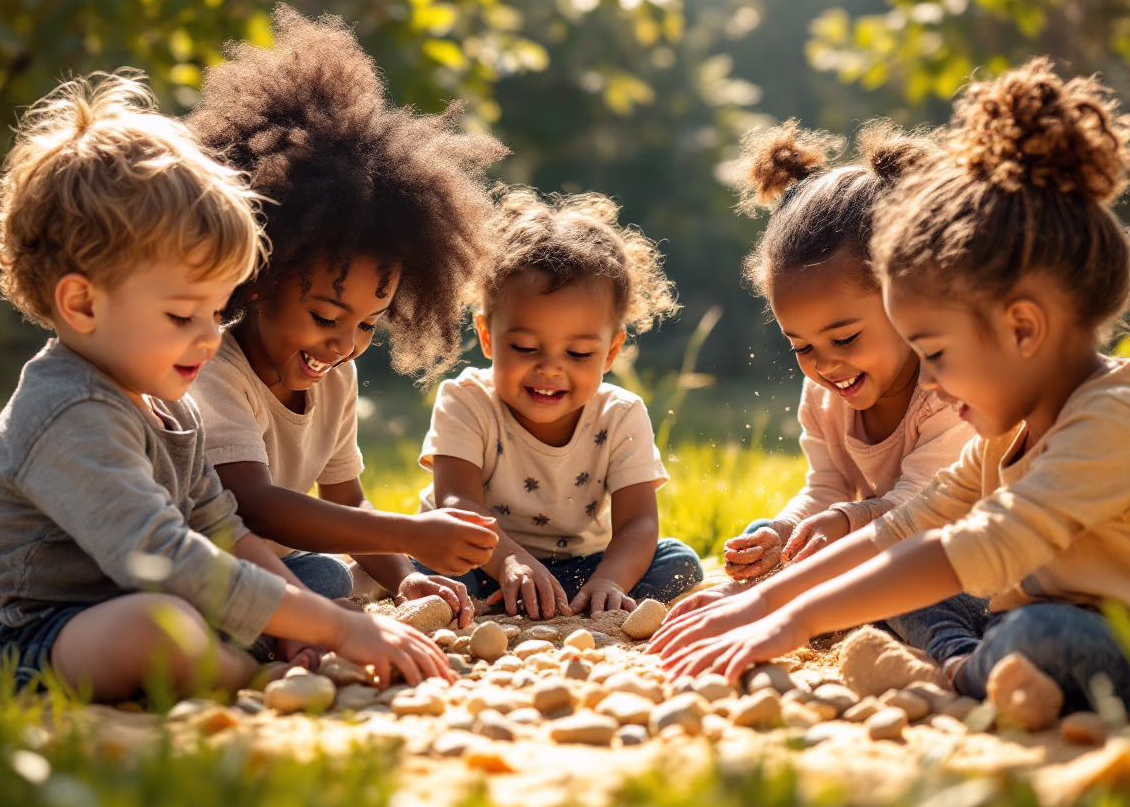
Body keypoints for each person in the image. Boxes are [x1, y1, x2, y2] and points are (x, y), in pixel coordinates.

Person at [0, 71, 452, 702]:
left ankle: (258, 654)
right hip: (19, 637)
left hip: (121, 603)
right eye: (183, 316)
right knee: (160, 629)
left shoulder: (171, 405)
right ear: (82, 304)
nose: (210, 338)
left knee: (280, 591)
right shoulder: (69, 410)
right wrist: (335, 628)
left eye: (216, 311)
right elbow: (165, 558)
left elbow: (224, 529)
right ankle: (250, 676)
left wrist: (292, 620)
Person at [656, 59, 1130, 715]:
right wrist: (766, 599)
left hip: (1101, 635)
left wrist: (792, 620)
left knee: (1038, 631)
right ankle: (971, 662)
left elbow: (974, 544)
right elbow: (905, 528)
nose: (928, 378)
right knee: (901, 582)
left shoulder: (1111, 421)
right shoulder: (1004, 440)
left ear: (1023, 327)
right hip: (1030, 613)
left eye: (934, 353)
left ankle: (961, 668)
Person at [187, 8, 505, 629]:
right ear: (260, 280)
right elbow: (256, 507)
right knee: (324, 576)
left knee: (327, 572)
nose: (344, 343)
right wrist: (413, 531)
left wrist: (410, 577)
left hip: (281, 571)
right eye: (327, 314)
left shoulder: (332, 377)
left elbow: (345, 499)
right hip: (208, 565)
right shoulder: (212, 369)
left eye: (368, 324)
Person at [662, 120, 971, 626]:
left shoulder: (947, 392)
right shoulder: (823, 395)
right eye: (801, 346)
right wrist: (785, 530)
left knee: (917, 600)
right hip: (873, 539)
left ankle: (956, 658)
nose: (825, 365)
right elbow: (824, 487)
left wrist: (846, 520)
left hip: (948, 553)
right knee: (774, 532)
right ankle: (800, 591)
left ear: (909, 299)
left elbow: (924, 507)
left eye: (845, 338)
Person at [415, 186, 703, 620]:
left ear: (610, 352)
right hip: (481, 559)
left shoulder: (620, 414)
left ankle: (582, 598)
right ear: (488, 336)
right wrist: (510, 561)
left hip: (582, 566)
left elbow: (637, 525)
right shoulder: (466, 400)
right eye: (526, 348)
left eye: (578, 354)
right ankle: (490, 602)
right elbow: (458, 504)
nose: (550, 369)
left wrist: (610, 580)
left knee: (678, 562)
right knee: (428, 559)